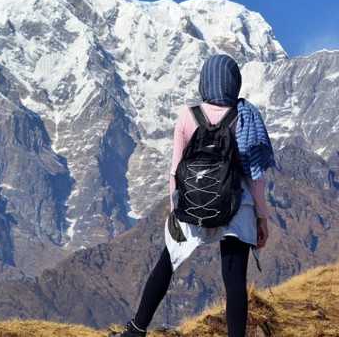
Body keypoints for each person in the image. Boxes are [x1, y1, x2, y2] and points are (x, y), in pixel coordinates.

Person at [115, 54, 276, 337]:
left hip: (193, 202)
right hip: (236, 206)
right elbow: (255, 177)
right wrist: (261, 218)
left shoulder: (188, 116)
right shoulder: (246, 117)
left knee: (166, 264)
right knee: (235, 278)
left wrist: (177, 207)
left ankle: (137, 329)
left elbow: (175, 170)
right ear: (234, 82)